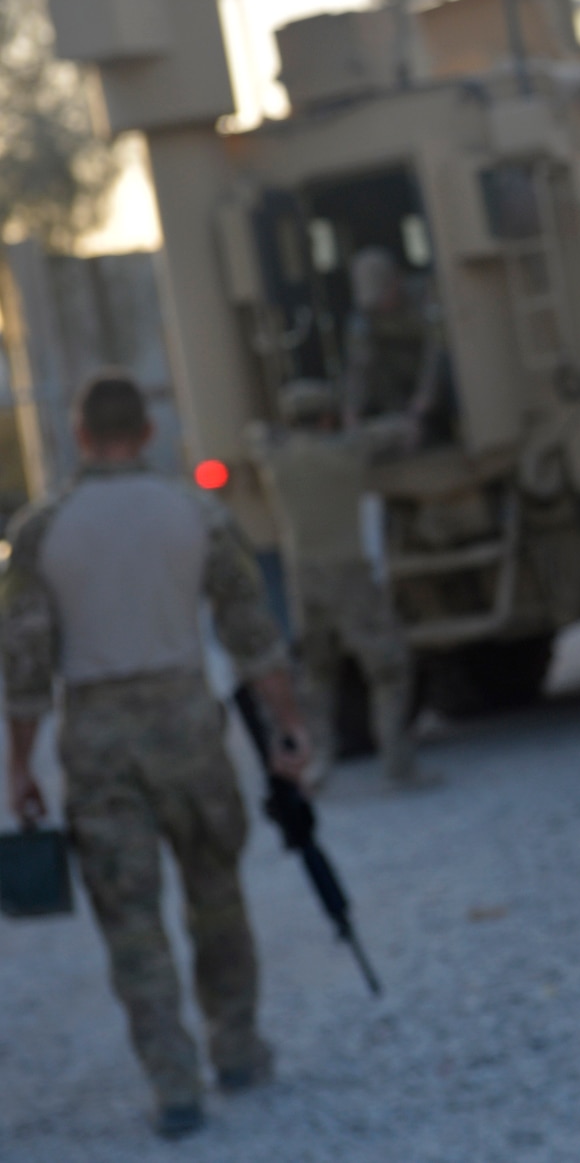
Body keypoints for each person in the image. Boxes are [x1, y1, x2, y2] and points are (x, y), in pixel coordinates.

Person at [2, 371, 313, 1139]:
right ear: (147, 432)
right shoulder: (196, 513)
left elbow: (25, 667)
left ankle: (174, 1083)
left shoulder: (43, 530)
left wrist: (20, 768)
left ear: (78, 436)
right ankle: (236, 1047)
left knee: (130, 918)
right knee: (216, 894)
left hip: (100, 744)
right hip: (188, 729)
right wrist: (287, 728)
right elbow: (253, 635)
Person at [247, 378, 428, 789]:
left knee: (315, 675)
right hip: (349, 574)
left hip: (303, 578)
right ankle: (397, 765)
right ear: (328, 417)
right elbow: (395, 430)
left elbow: (255, 436)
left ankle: (319, 764)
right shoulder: (348, 449)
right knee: (388, 668)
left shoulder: (278, 457)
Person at [343, 246, 447, 438]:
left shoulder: (426, 295)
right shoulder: (366, 316)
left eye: (381, 295)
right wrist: (351, 415)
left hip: (434, 379)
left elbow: (436, 352)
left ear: (396, 280)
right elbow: (359, 366)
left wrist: (421, 406)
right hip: (399, 383)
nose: (379, 307)